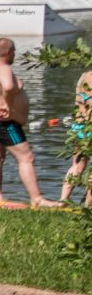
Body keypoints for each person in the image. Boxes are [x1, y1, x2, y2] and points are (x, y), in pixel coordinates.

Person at [0, 36, 51, 206]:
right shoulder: (3, 68)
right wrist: (8, 105)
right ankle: (37, 199)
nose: (14, 56)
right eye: (14, 53)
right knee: (26, 157)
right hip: (4, 123)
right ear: (9, 52)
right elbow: (9, 87)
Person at [60, 68, 92, 206]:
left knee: (77, 165)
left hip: (79, 126)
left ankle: (63, 200)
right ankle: (88, 205)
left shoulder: (84, 76)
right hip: (90, 125)